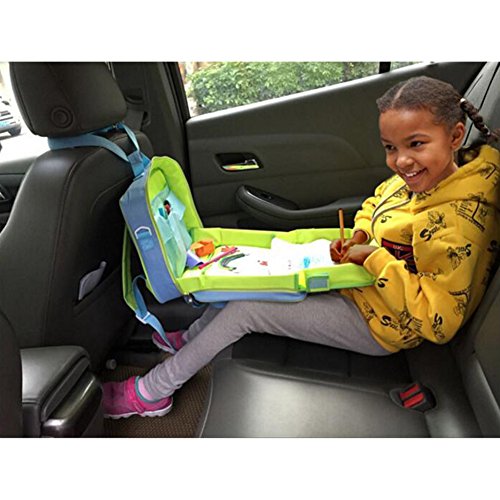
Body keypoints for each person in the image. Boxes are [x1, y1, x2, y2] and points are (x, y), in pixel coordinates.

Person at [103, 76, 500, 419]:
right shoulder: (417, 181)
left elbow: (437, 320)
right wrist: (360, 236)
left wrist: (374, 258)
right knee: (244, 277)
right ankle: (189, 341)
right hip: (356, 284)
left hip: (381, 324)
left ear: (455, 136)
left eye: (415, 144)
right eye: (390, 148)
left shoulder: (456, 222)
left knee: (246, 309)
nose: (401, 161)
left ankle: (153, 392)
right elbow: (375, 204)